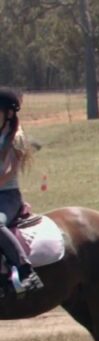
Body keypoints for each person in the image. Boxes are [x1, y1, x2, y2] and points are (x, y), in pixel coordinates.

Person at [0, 87, 43, 294]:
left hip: (7, 196)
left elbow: (8, 172)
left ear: (8, 114)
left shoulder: (16, 138)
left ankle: (26, 271)